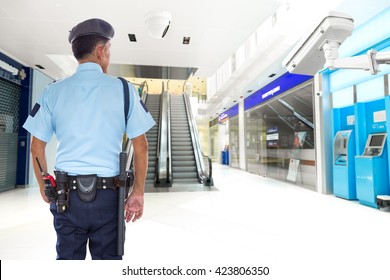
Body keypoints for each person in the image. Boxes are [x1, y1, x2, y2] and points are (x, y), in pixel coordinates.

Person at [22, 18, 155, 260]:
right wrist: (137, 192)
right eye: (109, 50)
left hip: (65, 195)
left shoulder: (53, 91)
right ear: (101, 50)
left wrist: (44, 186)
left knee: (68, 262)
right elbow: (141, 146)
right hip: (109, 197)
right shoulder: (124, 90)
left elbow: (36, 146)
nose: (109, 56)